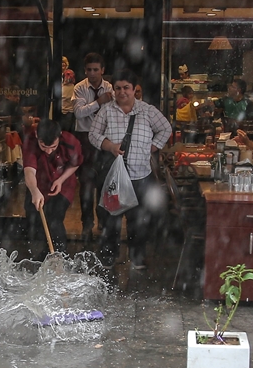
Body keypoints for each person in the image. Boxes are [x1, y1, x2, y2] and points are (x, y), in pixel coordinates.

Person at [88, 71, 172, 269]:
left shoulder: (147, 110)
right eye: (118, 88)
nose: (122, 92)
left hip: (140, 176)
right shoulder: (106, 111)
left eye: (126, 88)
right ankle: (109, 257)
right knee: (111, 219)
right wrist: (110, 146)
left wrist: (152, 147)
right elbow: (93, 135)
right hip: (114, 177)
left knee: (139, 220)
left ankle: (137, 257)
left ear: (134, 90)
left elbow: (165, 128)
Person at [23, 119, 81, 257]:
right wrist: (34, 191)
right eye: (43, 146)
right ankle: (42, 253)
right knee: (34, 218)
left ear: (59, 136)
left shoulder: (70, 141)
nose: (48, 151)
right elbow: (29, 171)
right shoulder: (30, 142)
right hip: (39, 184)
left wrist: (61, 180)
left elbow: (75, 164)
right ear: (37, 135)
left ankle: (59, 255)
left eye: (53, 147)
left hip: (64, 184)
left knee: (55, 218)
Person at [71, 52, 113, 241]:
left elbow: (112, 114)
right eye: (89, 70)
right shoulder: (80, 87)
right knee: (86, 185)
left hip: (104, 138)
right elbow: (78, 113)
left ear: (102, 70)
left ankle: (103, 222)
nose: (92, 73)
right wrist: (98, 103)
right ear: (85, 70)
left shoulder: (109, 88)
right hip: (85, 138)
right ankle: (86, 224)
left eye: (96, 69)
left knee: (104, 184)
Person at [59, 56, 76, 133]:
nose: (62, 65)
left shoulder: (69, 73)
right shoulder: (55, 75)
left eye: (64, 63)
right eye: (61, 63)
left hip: (68, 104)